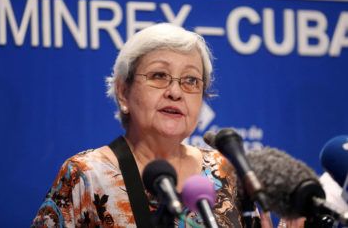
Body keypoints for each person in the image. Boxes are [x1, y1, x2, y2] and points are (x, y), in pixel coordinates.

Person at [32, 23, 269, 227]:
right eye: (159, 76)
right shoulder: (87, 175)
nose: (175, 92)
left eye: (190, 80)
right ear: (123, 93)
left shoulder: (226, 172)